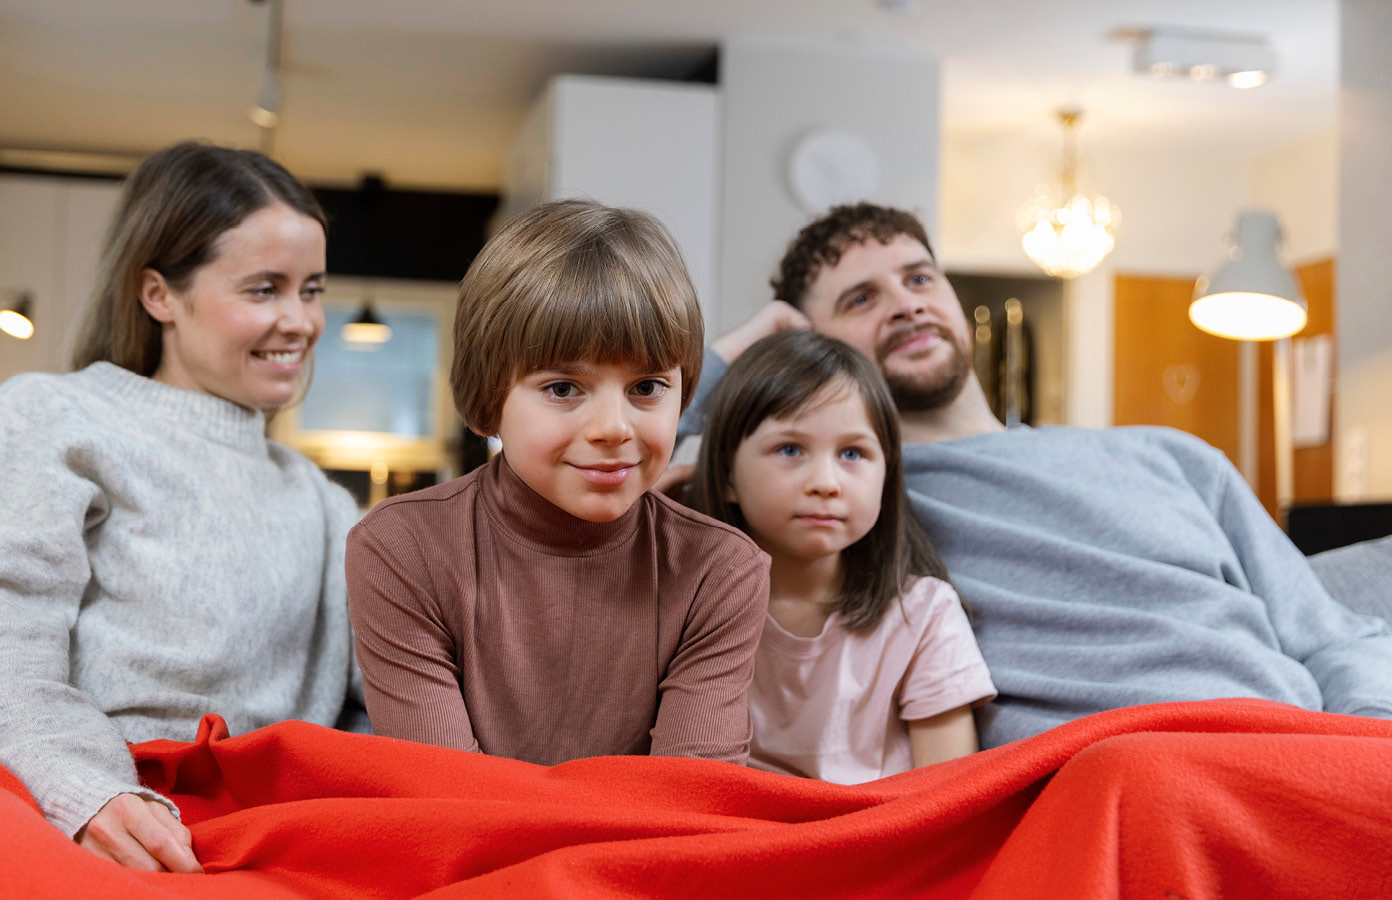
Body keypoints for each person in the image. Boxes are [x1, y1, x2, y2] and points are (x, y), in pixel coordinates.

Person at [0, 142, 363, 873]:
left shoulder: (322, 506)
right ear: (159, 294)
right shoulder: (55, 416)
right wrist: (85, 790)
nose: (300, 321)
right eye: (264, 290)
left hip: (177, 817)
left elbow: (412, 666)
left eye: (312, 289)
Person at [685, 201, 1392, 748]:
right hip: (1116, 771)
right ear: (810, 344)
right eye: (860, 299)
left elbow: (1333, 636)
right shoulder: (846, 499)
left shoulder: (1169, 456)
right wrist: (746, 349)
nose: (906, 302)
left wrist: (1366, 736)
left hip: (1298, 739)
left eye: (920, 278)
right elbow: (631, 457)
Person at [345, 199, 769, 766]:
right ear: (487, 399)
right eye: (563, 389)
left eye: (646, 387)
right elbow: (447, 796)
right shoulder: (402, 546)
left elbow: (688, 806)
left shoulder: (719, 569)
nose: (614, 429)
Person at [691, 329, 994, 782]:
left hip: (879, 840)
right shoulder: (688, 602)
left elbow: (948, 796)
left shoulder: (924, 613)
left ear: (886, 477)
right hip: (738, 835)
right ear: (728, 475)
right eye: (790, 449)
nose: (826, 482)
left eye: (853, 453)